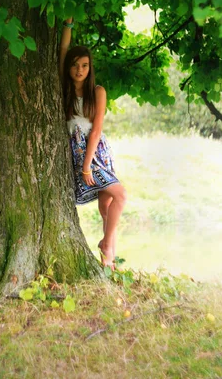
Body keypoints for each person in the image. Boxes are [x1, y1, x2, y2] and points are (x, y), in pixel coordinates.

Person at [59, 18, 127, 268]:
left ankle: (108, 260)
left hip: (96, 151)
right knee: (120, 195)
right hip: (77, 150)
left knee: (108, 204)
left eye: (85, 65)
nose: (79, 70)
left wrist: (88, 165)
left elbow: (97, 129)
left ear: (90, 68)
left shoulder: (97, 91)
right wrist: (68, 25)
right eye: (75, 65)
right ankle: (107, 245)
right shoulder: (64, 87)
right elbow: (63, 51)